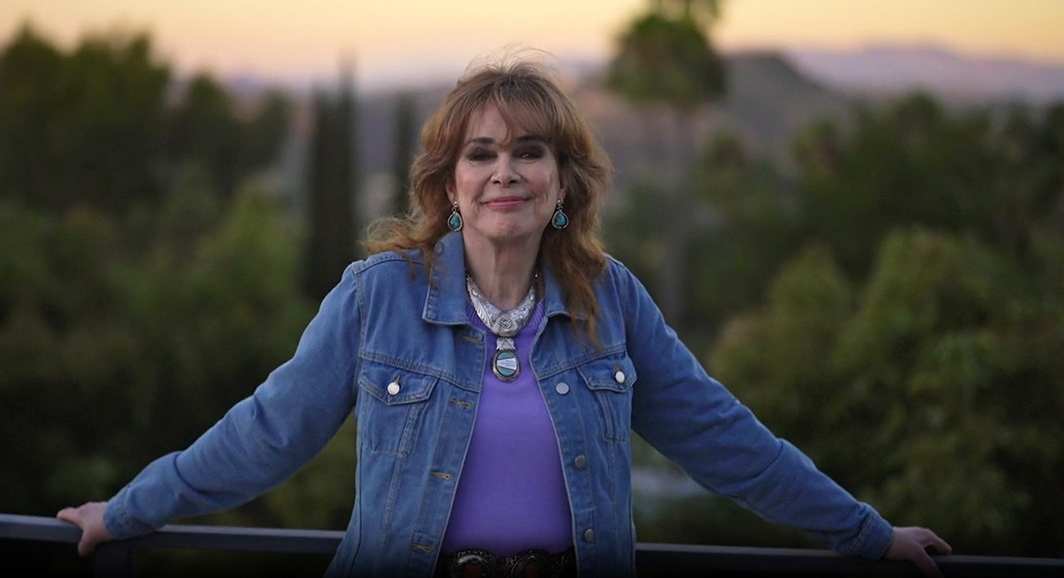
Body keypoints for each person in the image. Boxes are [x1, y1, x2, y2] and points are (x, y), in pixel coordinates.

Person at [57, 52, 952, 578]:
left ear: (564, 182)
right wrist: (128, 509)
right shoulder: (377, 297)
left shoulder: (611, 299)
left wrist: (866, 533)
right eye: (480, 154)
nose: (505, 172)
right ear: (450, 185)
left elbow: (726, 438)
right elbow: (267, 432)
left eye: (530, 152)